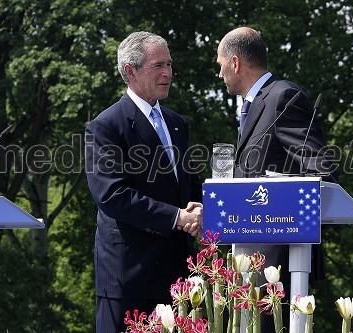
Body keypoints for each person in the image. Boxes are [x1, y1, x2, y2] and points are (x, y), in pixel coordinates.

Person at [216, 27, 337, 331]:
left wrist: (274, 186)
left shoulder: (283, 96)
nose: (219, 74)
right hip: (247, 256)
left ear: (235, 62)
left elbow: (321, 167)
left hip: (279, 260)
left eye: (219, 64)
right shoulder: (255, 104)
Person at [85, 31, 203, 332]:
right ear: (130, 71)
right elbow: (113, 195)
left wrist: (208, 208)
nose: (168, 73)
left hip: (179, 278)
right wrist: (178, 217)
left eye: (169, 64)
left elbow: (189, 186)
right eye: (158, 66)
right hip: (129, 279)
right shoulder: (106, 126)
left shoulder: (177, 124)